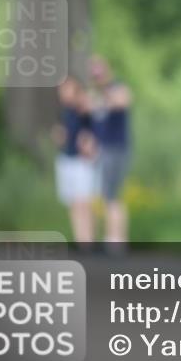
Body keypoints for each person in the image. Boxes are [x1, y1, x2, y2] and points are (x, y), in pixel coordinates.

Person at [89, 55, 133, 244]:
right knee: (107, 196)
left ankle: (116, 239)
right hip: (103, 150)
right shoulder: (96, 95)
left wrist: (104, 89)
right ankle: (111, 237)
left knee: (112, 195)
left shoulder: (117, 88)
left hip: (116, 149)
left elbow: (123, 101)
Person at [52, 76, 97, 243]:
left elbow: (94, 128)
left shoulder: (83, 108)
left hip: (81, 161)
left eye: (66, 89)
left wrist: (89, 141)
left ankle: (89, 240)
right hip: (66, 159)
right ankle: (81, 240)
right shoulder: (62, 111)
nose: (63, 93)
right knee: (72, 203)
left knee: (83, 202)